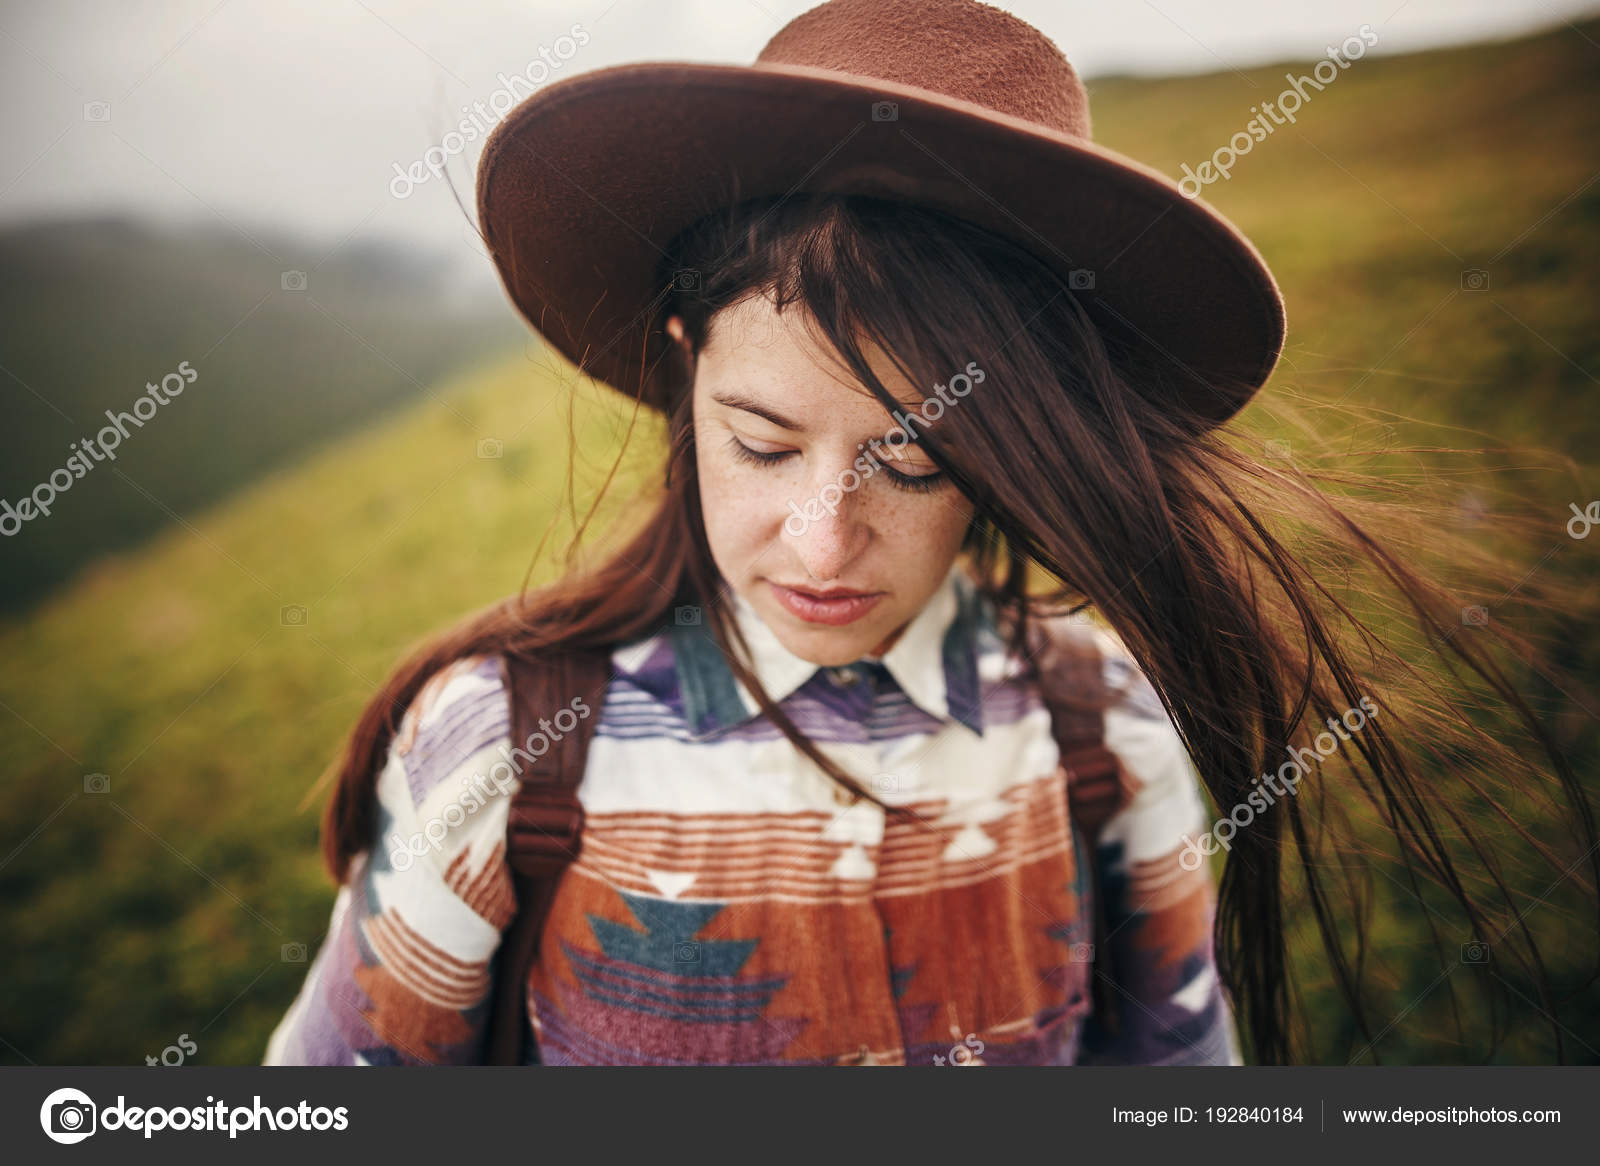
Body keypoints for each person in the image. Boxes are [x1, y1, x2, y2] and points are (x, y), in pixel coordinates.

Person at [265, 0, 1598, 1066]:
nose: (824, 539)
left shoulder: (1100, 730)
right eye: (763, 442)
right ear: (683, 371)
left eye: (917, 457)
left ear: (1013, 450)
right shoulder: (500, 749)